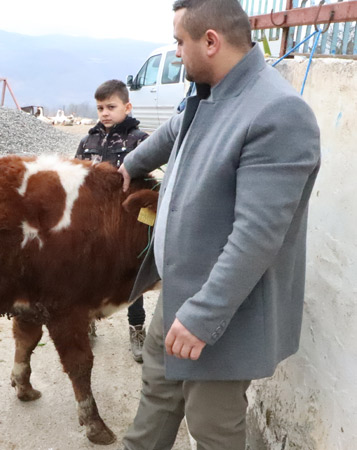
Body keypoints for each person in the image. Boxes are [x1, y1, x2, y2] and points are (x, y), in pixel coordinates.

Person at [117, 0, 321, 448]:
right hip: (178, 295)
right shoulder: (210, 91)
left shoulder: (278, 113)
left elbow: (257, 236)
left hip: (221, 316)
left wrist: (202, 317)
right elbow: (174, 132)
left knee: (213, 430)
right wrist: (127, 166)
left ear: (211, 41)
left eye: (179, 42)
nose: (175, 53)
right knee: (155, 399)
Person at [75, 79, 150, 363]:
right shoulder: (88, 140)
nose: (105, 113)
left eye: (111, 107)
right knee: (90, 273)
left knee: (131, 276)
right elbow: (77, 177)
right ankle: (89, 320)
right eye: (100, 108)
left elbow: (148, 181)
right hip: (93, 221)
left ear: (127, 107)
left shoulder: (140, 141)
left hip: (126, 222)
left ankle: (137, 328)